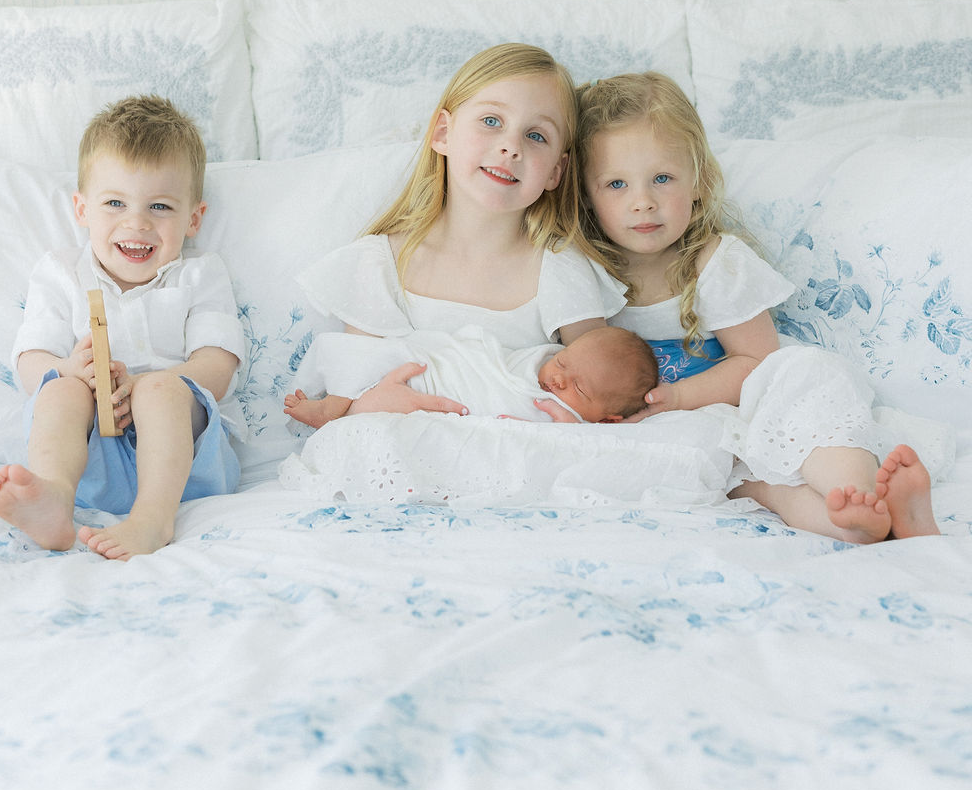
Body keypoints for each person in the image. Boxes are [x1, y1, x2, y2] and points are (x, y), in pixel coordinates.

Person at [575, 71, 944, 544]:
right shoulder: (585, 273)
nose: (643, 203)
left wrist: (682, 396)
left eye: (662, 179)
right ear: (586, 195)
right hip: (678, 433)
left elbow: (757, 361)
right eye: (617, 185)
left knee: (809, 382)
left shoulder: (714, 262)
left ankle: (862, 491)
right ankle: (854, 524)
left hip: (744, 403)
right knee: (759, 485)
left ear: (698, 182)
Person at [291, 42, 629, 418]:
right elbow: (348, 393)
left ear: (555, 172)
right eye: (491, 121)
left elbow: (600, 394)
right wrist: (366, 406)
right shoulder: (381, 264)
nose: (511, 147)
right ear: (442, 134)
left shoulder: (560, 270)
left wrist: (568, 425)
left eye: (536, 136)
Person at [0, 95, 244, 560]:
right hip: (88, 462)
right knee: (58, 390)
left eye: (161, 206)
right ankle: (55, 499)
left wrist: (147, 384)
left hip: (181, 462)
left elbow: (219, 366)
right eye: (115, 203)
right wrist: (68, 369)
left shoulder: (200, 273)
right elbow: (29, 362)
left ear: (194, 218)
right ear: (82, 210)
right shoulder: (61, 272)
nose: (137, 222)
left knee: (162, 391)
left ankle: (151, 519)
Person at [285, 323, 659, 427]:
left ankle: (343, 413)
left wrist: (566, 434)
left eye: (578, 388)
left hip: (444, 416)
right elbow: (487, 362)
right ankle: (334, 404)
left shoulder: (573, 426)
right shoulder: (538, 360)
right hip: (440, 373)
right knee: (383, 354)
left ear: (607, 418)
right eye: (562, 364)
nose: (558, 380)